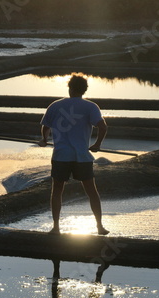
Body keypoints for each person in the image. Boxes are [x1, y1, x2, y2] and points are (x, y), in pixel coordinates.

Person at [38, 73, 109, 235]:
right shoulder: (91, 107)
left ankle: (56, 227)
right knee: (91, 191)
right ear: (84, 90)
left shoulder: (55, 105)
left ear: (69, 88)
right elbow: (103, 127)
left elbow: (45, 126)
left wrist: (43, 139)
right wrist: (97, 144)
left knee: (57, 190)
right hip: (82, 156)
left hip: (61, 155)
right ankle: (99, 226)